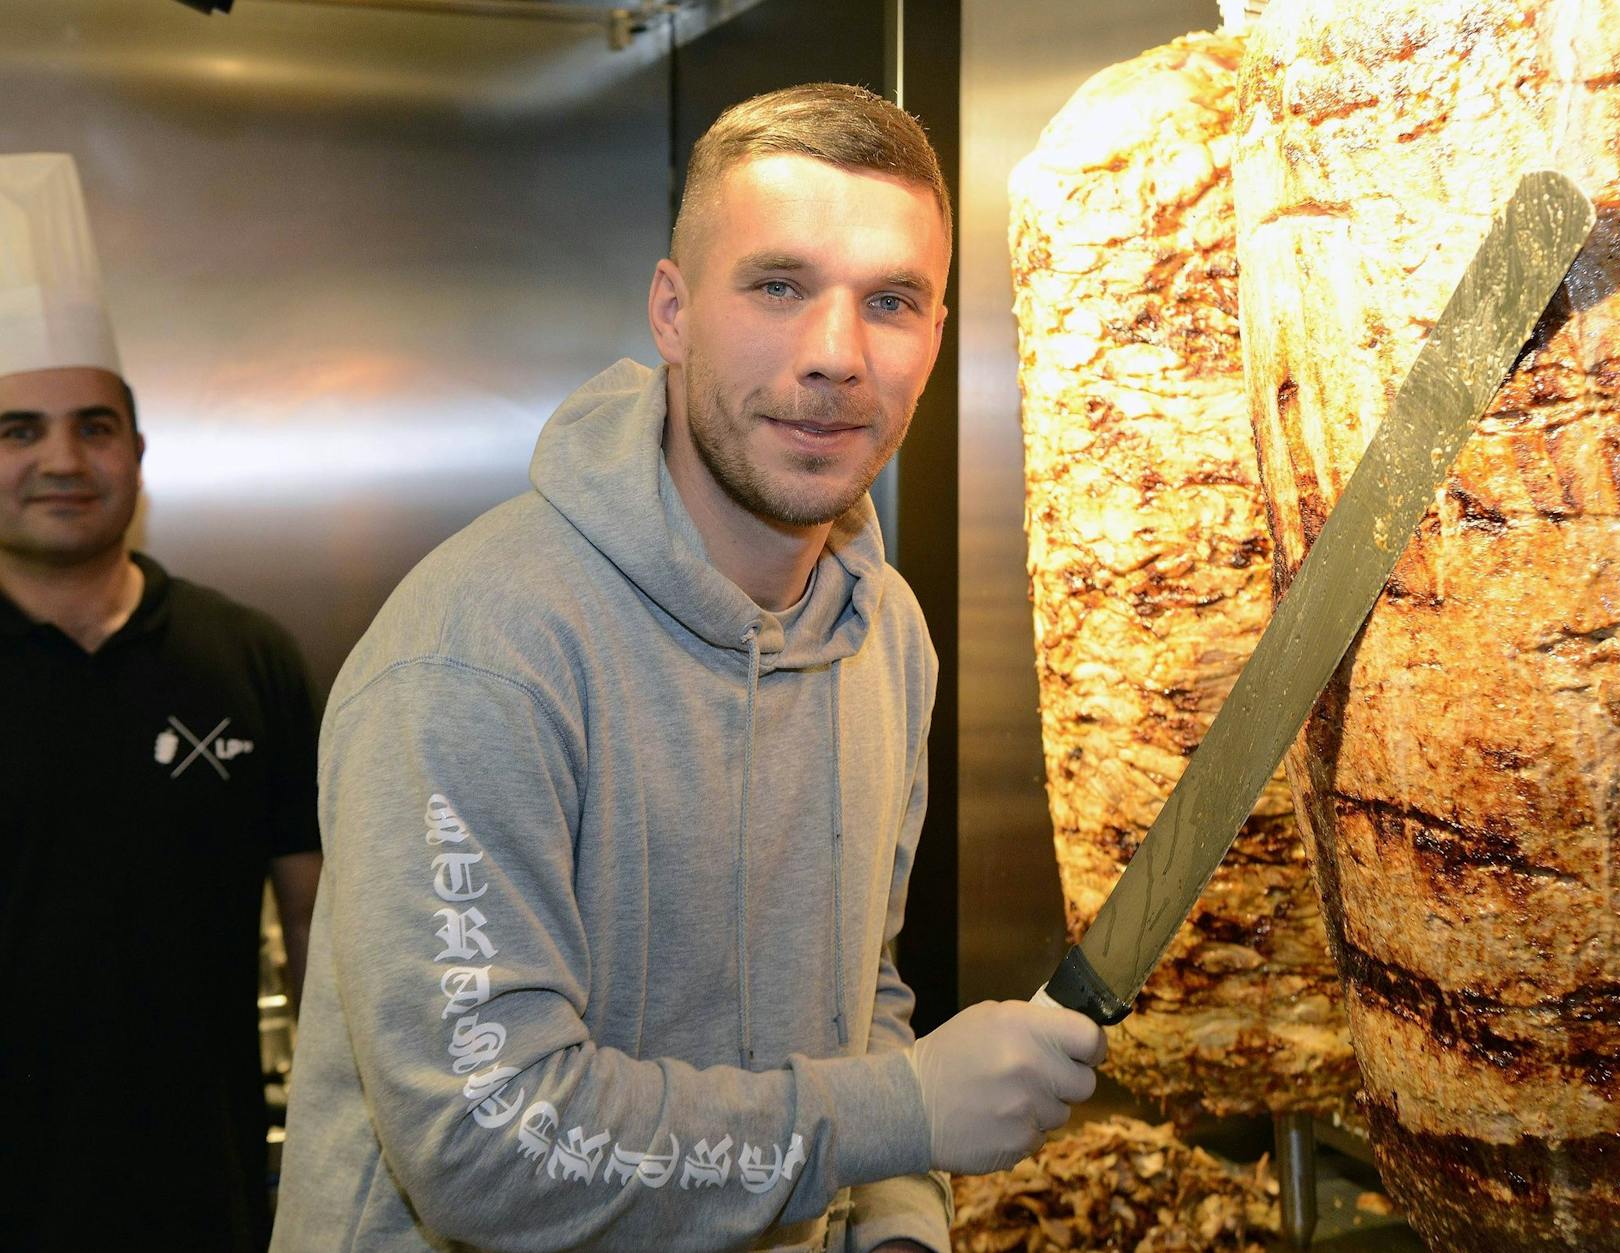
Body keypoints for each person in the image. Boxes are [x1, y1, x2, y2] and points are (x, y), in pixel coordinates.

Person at [270, 84, 1103, 1251]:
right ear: (671, 310)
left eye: (891, 301)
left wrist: (901, 1212)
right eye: (777, 286)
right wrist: (903, 1110)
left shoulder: (887, 632)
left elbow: (860, 992)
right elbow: (488, 1143)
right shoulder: (476, 655)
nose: (835, 355)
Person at [0, 153, 324, 1251]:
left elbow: (318, 926)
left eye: (94, 425)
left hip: (208, 1190)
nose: (61, 459)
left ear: (138, 452)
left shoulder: (248, 654)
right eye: (17, 430)